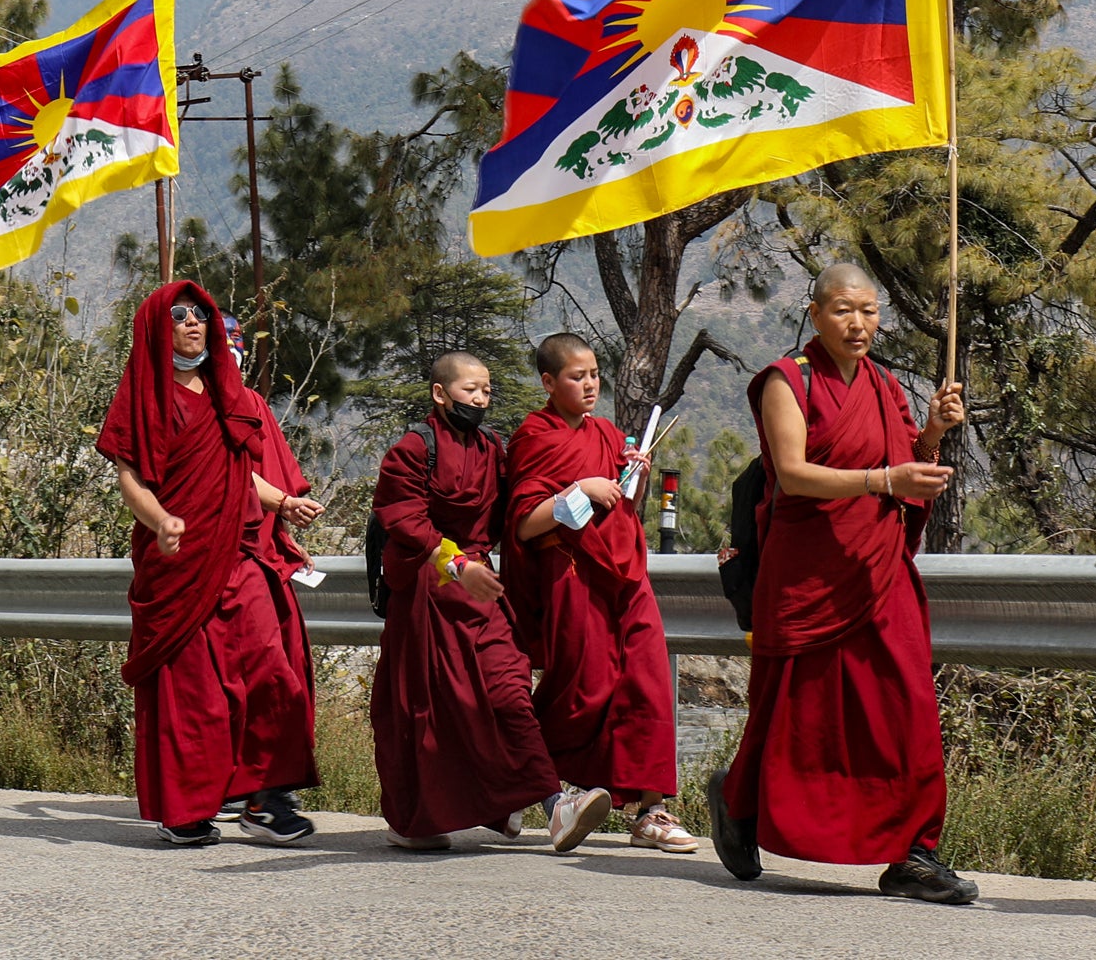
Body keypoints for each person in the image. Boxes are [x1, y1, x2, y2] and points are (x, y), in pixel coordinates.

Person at [707, 263, 975, 904]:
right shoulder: (785, 380)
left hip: (877, 571)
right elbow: (795, 474)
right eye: (843, 311)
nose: (858, 325)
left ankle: (915, 853)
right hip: (808, 573)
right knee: (790, 714)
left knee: (907, 711)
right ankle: (741, 803)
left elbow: (904, 461)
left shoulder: (885, 384)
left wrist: (933, 433)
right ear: (816, 312)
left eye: (870, 311)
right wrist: (885, 480)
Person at [96, 280, 321, 847]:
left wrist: (283, 502)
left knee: (274, 669)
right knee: (194, 690)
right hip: (180, 561)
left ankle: (266, 798)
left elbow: (241, 472)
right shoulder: (143, 396)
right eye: (180, 315)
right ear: (156, 327)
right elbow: (130, 477)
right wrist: (160, 521)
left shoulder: (231, 394)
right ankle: (187, 808)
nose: (194, 323)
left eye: (202, 315)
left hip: (239, 557)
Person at [370, 351, 606, 852]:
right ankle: (422, 815)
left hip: (481, 590)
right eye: (469, 391)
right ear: (440, 394)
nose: (479, 399)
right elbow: (404, 520)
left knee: (510, 689)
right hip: (429, 594)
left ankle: (554, 806)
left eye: (486, 391)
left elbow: (514, 511)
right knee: (430, 713)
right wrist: (457, 566)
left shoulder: (492, 447)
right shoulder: (414, 449)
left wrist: (571, 501)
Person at [503, 332, 696, 853]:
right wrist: (581, 489)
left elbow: (624, 504)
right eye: (575, 376)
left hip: (625, 573)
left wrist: (634, 476)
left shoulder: (608, 434)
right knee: (582, 688)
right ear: (548, 382)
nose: (589, 385)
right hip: (572, 573)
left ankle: (651, 810)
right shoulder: (533, 436)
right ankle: (515, 775)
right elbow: (523, 524)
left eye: (593, 375)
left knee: (649, 682)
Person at [219, 368, 324, 843]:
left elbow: (261, 479)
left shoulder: (252, 403)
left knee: (281, 670)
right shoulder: (180, 403)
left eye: (237, 341)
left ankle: (264, 792)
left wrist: (281, 534)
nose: (232, 352)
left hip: (258, 558)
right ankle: (237, 790)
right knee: (232, 680)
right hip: (205, 561)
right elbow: (218, 474)